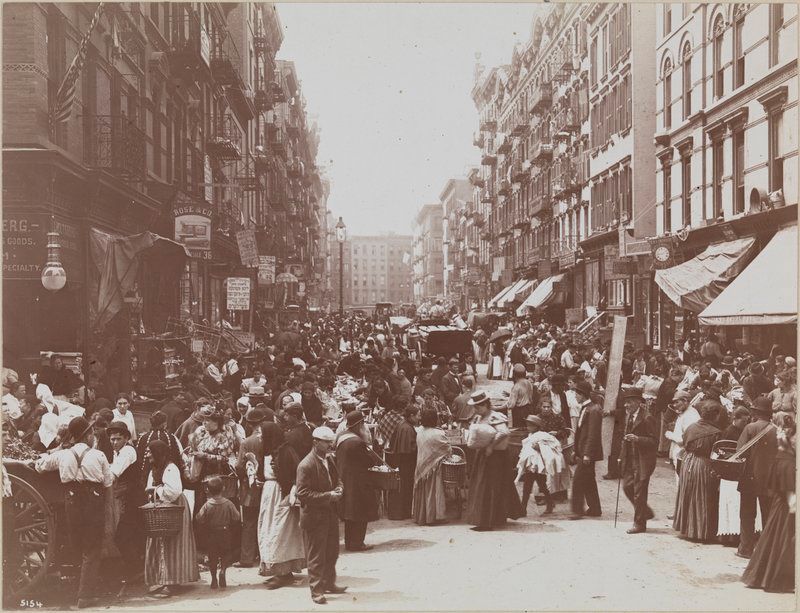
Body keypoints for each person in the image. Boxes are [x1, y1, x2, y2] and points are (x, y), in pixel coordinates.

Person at [35, 416, 113, 608]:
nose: (93, 436)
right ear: (86, 436)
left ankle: (73, 591)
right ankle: (85, 595)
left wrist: (40, 461)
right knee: (92, 548)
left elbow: (40, 466)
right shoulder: (99, 455)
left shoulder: (63, 455)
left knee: (76, 545)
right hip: (93, 503)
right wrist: (109, 513)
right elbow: (108, 484)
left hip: (71, 504)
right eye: (91, 432)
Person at [742, 413, 795, 593]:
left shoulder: (783, 455)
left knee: (773, 541)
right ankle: (776, 579)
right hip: (788, 505)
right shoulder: (787, 458)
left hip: (782, 504)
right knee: (782, 542)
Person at [296, 426, 346, 604]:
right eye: (326, 443)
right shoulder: (306, 465)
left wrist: (339, 487)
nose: (329, 446)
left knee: (332, 551)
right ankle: (316, 590)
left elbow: (337, 478)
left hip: (330, 513)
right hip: (314, 516)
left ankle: (329, 583)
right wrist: (328, 496)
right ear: (315, 442)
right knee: (316, 555)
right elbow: (302, 494)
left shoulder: (328, 460)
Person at [142, 439, 199, 596]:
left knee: (174, 545)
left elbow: (173, 491)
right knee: (160, 544)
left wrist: (155, 489)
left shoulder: (170, 468)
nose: (147, 454)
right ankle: (162, 579)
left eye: (149, 451)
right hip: (160, 510)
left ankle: (174, 582)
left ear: (158, 453)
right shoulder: (155, 469)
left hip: (173, 508)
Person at [464, 392, 523, 531]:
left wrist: (490, 446)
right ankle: (491, 518)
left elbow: (503, 432)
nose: (476, 410)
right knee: (484, 485)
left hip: (496, 456)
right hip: (484, 455)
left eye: (478, 407)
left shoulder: (495, 417)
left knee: (489, 486)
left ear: (485, 405)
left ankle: (488, 521)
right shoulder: (480, 417)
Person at [257, 422, 305, 588]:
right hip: (270, 493)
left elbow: (297, 474)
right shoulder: (271, 451)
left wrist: (289, 493)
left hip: (281, 495)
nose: (260, 438)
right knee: (269, 530)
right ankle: (280, 571)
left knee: (280, 532)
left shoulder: (285, 451)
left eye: (263, 435)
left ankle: (283, 573)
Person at [672, 401, 722, 542]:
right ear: (715, 415)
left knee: (688, 493)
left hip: (688, 461)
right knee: (703, 496)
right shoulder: (716, 433)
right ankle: (700, 531)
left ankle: (687, 528)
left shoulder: (691, 427)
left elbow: (685, 443)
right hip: (703, 464)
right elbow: (715, 453)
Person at [736, 397, 778, 559]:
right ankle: (766, 551)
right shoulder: (776, 430)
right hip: (769, 479)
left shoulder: (750, 428)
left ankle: (745, 548)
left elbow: (740, 451)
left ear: (755, 412)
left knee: (747, 513)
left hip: (749, 476)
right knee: (767, 514)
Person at [335, 410, 382, 550]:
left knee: (350, 514)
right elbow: (368, 461)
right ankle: (357, 543)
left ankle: (350, 542)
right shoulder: (356, 442)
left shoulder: (342, 436)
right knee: (361, 512)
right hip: (357, 481)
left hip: (345, 478)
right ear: (359, 424)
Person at [619, 386, 659, 534]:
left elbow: (655, 442)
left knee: (639, 492)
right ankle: (646, 512)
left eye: (629, 402)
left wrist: (638, 439)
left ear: (637, 402)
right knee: (627, 487)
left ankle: (639, 524)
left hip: (643, 460)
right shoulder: (629, 415)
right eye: (625, 402)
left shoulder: (647, 417)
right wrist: (621, 455)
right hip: (630, 458)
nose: (626, 405)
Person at [233, 411, 267, 569]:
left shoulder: (247, 442)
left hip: (250, 487)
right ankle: (264, 554)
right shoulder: (270, 437)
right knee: (266, 520)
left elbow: (240, 466)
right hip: (268, 484)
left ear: (249, 423)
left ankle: (247, 557)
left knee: (249, 522)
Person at [195, 476, 240, 589]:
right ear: (223, 488)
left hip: (211, 534)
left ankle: (214, 579)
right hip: (225, 532)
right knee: (226, 554)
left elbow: (199, 518)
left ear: (208, 490)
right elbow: (237, 517)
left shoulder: (207, 505)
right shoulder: (228, 503)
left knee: (212, 557)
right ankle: (223, 571)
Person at [717, 406, 753, 547]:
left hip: (739, 471)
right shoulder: (728, 432)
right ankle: (730, 536)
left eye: (747, 421)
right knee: (730, 504)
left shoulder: (744, 431)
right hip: (730, 472)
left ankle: (736, 535)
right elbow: (722, 451)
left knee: (736, 504)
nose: (745, 424)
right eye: (743, 421)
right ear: (735, 419)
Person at [516, 415, 563, 515]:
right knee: (527, 487)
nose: (528, 427)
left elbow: (551, 448)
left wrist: (539, 447)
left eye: (530, 425)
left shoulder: (543, 436)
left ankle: (549, 504)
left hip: (539, 466)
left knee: (542, 486)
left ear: (536, 426)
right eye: (527, 425)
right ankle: (523, 508)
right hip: (531, 466)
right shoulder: (530, 436)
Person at [570, 380, 603, 520]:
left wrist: (587, 454)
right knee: (589, 480)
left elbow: (592, 434)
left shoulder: (593, 410)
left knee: (578, 481)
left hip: (587, 453)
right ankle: (595, 508)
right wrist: (576, 451)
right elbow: (580, 433)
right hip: (583, 451)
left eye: (577, 393)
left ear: (583, 394)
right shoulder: (586, 408)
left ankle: (577, 510)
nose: (575, 396)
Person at [413, 408, 451, 525]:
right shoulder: (438, 434)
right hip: (433, 467)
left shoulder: (419, 431)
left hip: (420, 465)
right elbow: (447, 448)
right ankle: (432, 517)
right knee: (433, 491)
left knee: (423, 491)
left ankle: (421, 516)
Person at [386, 404, 418, 520]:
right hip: (406, 463)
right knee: (405, 488)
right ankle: (403, 512)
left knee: (401, 488)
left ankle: (400, 512)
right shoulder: (407, 429)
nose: (419, 418)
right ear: (411, 416)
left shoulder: (403, 425)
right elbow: (410, 449)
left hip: (400, 461)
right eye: (417, 416)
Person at [664, 390, 701, 485]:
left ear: (685, 401)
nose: (674, 405)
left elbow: (685, 440)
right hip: (680, 455)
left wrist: (670, 435)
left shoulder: (691, 415)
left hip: (684, 455)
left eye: (677, 402)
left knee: (682, 485)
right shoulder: (685, 413)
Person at [504, 364, 536, 428]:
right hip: (529, 409)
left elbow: (510, 405)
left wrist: (496, 408)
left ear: (514, 375)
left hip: (519, 412)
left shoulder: (516, 386)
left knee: (518, 430)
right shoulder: (528, 383)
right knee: (527, 429)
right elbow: (524, 395)